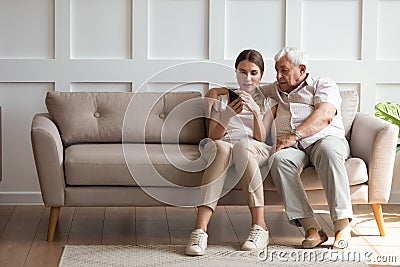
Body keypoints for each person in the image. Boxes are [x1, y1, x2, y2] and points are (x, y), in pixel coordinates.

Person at [185, 49, 277, 256]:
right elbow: (213, 135)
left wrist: (254, 111)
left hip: (252, 147)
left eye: (253, 73)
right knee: (222, 146)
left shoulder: (269, 103)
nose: (247, 77)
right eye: (242, 72)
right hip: (223, 144)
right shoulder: (221, 98)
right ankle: (200, 230)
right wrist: (227, 114)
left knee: (243, 146)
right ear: (236, 73)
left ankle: (260, 227)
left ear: (261, 75)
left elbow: (261, 138)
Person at [260, 47, 353, 250]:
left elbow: (325, 114)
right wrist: (218, 91)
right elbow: (249, 90)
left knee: (328, 151)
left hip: (324, 140)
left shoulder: (322, 84)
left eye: (284, 70)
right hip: (295, 150)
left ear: (301, 69)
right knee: (278, 159)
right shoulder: (275, 89)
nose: (278, 76)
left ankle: (342, 226)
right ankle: (312, 229)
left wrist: (294, 136)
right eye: (276, 71)